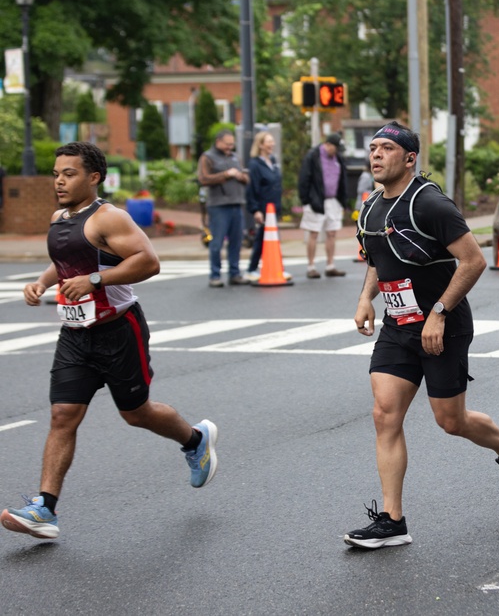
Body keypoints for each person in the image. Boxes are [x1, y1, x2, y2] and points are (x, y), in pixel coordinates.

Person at [0, 142, 218, 541]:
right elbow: (65, 259)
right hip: (75, 334)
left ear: (93, 177)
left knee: (136, 413)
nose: (59, 181)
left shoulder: (109, 218)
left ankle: (195, 438)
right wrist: (41, 282)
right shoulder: (60, 217)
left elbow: (148, 261)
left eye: (69, 173)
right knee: (63, 415)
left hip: (119, 330)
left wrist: (96, 280)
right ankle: (44, 508)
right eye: (55, 174)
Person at [348, 121, 499, 549]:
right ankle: (393, 520)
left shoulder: (430, 204)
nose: (375, 155)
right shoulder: (370, 206)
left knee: (451, 421)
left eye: (386, 148)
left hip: (441, 325)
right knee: (384, 414)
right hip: (398, 327)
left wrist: (439, 312)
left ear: (409, 158)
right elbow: (377, 258)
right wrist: (364, 299)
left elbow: (473, 261)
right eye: (372, 148)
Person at [197, 129, 250, 287]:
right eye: (227, 144)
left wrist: (241, 176)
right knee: (217, 242)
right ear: (218, 142)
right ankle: (215, 275)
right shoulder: (208, 157)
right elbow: (203, 179)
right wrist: (226, 174)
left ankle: (235, 274)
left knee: (236, 241)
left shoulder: (235, 157)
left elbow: (246, 177)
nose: (230, 147)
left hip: (236, 203)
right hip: (219, 205)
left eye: (232, 144)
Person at [299, 133, 349, 279]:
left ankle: (330, 265)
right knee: (313, 233)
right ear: (327, 144)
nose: (337, 151)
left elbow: (343, 179)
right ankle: (311, 266)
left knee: (332, 233)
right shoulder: (313, 156)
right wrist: (306, 200)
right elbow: (304, 177)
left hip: (333, 200)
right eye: (335, 147)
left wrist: (343, 200)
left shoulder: (338, 158)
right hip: (316, 200)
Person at [245, 130, 288, 282]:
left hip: (273, 207)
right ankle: (251, 268)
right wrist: (256, 210)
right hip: (263, 208)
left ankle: (277, 267)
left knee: (272, 238)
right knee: (261, 238)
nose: (272, 144)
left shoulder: (273, 161)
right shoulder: (255, 164)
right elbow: (252, 189)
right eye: (268, 141)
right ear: (260, 145)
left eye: (272, 141)